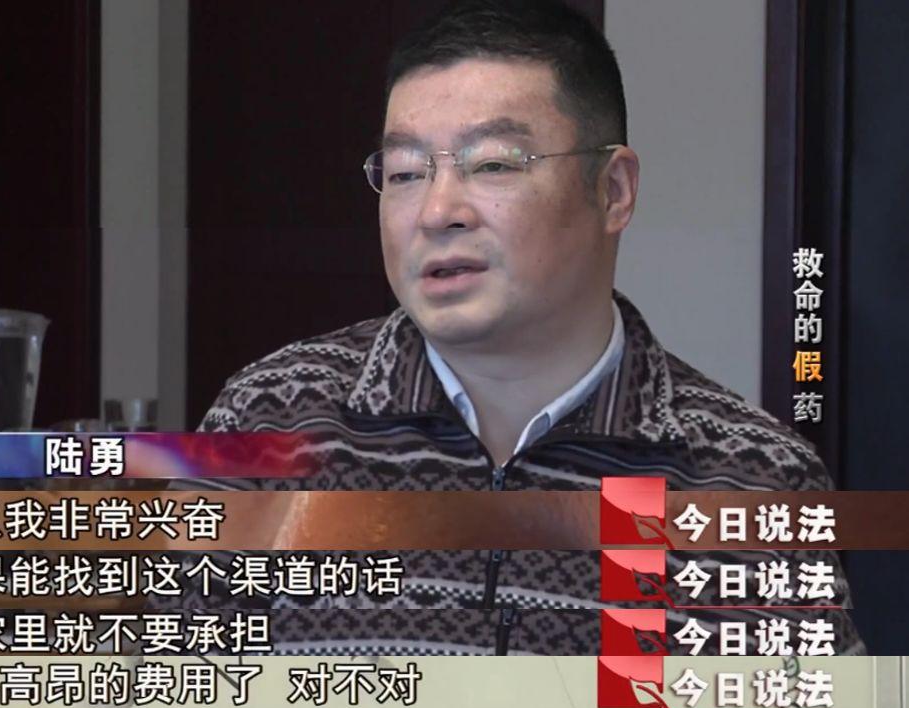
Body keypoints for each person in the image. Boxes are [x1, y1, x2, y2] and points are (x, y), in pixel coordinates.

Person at [172, 0, 864, 655]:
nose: (436, 211)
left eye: (493, 164)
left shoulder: (751, 478)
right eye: (406, 172)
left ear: (612, 191)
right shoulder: (270, 418)